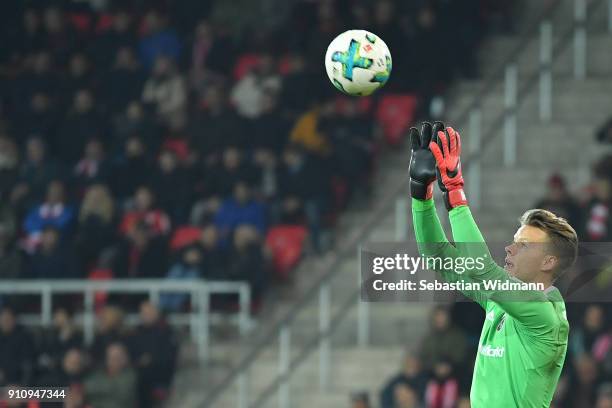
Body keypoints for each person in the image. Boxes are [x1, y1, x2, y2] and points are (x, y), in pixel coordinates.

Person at [409, 122, 578, 406]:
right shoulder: (497, 302)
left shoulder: (545, 318)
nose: (510, 249)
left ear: (549, 261)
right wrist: (421, 195)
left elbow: (480, 267)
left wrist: (453, 189)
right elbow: (437, 257)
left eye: (523, 245)